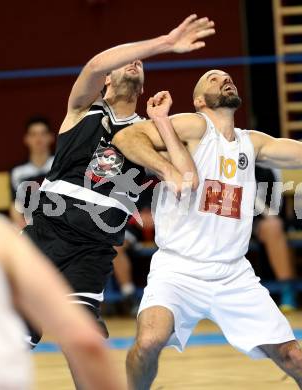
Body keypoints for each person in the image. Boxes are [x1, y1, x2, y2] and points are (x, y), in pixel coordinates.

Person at [113, 52, 302, 389]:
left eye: (226, 76)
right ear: (199, 100)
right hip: (178, 270)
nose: (224, 79)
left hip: (232, 273)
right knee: (148, 343)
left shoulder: (252, 142)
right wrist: (167, 170)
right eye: (213, 78)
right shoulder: (194, 125)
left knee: (294, 357)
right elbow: (126, 137)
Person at [22, 14, 214, 384]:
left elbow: (187, 181)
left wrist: (162, 124)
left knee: (85, 344)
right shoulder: (81, 109)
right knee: (13, 338)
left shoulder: (147, 132)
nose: (135, 62)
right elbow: (95, 63)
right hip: (45, 236)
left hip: (91, 250)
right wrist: (164, 43)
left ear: (143, 88)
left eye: (140, 64)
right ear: (108, 78)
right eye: (125, 60)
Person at [0, 215, 123, 389]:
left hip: (75, 241)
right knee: (78, 333)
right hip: (69, 239)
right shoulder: (3, 236)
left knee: (24, 329)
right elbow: (86, 342)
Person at [253, 165, 297, 311]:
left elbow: (276, 199)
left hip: (259, 218)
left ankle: (287, 290)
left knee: (274, 226)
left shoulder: (271, 159)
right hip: (230, 216)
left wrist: (269, 213)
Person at [10, 116, 54, 229]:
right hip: (30, 228)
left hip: (59, 226)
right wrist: (26, 231)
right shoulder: (17, 172)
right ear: (26, 139)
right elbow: (15, 206)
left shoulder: (60, 166)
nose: (38, 139)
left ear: (51, 137)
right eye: (33, 134)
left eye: (43, 134)